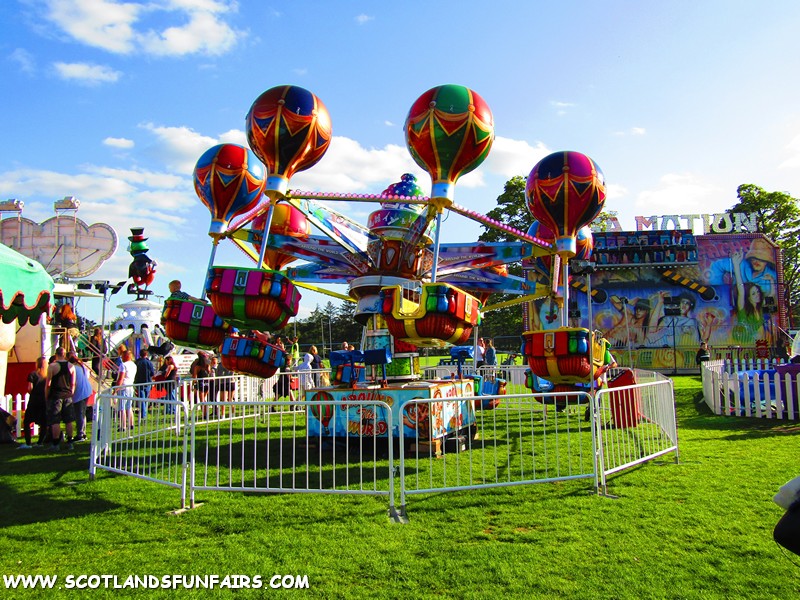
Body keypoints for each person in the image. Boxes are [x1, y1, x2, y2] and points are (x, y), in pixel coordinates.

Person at [44, 347, 76, 451]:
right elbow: (73, 383)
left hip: (56, 395)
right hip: (67, 395)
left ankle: (56, 443)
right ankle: (70, 442)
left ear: (56, 354)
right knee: (68, 420)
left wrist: (46, 395)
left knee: (55, 420)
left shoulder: (52, 366)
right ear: (65, 354)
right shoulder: (71, 366)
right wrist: (71, 392)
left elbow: (48, 384)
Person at [19, 357, 48, 449]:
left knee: (27, 421)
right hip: (43, 400)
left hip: (34, 400)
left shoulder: (32, 374)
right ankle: (40, 442)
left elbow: (29, 388)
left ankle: (28, 442)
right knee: (43, 422)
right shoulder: (47, 375)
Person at [68, 352, 93, 442]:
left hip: (80, 392)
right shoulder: (80, 366)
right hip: (86, 390)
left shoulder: (72, 368)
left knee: (79, 413)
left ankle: (80, 434)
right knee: (82, 413)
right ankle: (83, 432)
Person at [115, 349, 137, 431]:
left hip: (123, 387)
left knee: (122, 407)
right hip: (130, 386)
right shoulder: (134, 365)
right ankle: (131, 424)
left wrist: (116, 389)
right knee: (129, 406)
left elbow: (121, 378)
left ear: (126, 356)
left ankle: (122, 426)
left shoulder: (123, 365)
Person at [134, 349, 155, 420]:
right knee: (146, 398)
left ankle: (143, 413)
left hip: (139, 382)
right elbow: (152, 373)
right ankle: (144, 412)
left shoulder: (137, 362)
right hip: (148, 381)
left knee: (142, 398)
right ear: (146, 355)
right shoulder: (149, 363)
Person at [190, 351, 212, 418]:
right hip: (206, 383)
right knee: (204, 399)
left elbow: (195, 376)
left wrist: (194, 384)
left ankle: (204, 414)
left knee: (202, 399)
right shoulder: (207, 365)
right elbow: (209, 372)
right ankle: (206, 412)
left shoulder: (197, 366)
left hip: (201, 383)